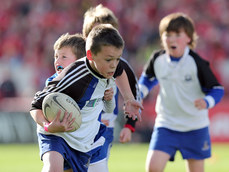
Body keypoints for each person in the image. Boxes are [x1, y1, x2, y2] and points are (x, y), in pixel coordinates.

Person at [30, 24, 142, 172]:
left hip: (83, 141)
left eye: (117, 59)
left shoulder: (110, 66)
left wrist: (128, 99)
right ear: (90, 56)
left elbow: (120, 71)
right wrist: (47, 126)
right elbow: (35, 106)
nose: (114, 65)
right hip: (56, 134)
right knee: (53, 169)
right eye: (109, 60)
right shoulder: (73, 76)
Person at [138, 12, 224, 172]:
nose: (171, 39)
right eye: (167, 35)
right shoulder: (157, 59)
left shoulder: (197, 62)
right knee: (153, 168)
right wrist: (138, 95)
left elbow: (217, 90)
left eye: (177, 34)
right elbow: (147, 80)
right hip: (166, 124)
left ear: (189, 38)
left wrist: (206, 102)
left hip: (195, 127)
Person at [82, 4, 142, 172]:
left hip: (105, 126)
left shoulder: (119, 65)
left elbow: (135, 93)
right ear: (87, 36)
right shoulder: (79, 65)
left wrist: (130, 125)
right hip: (79, 125)